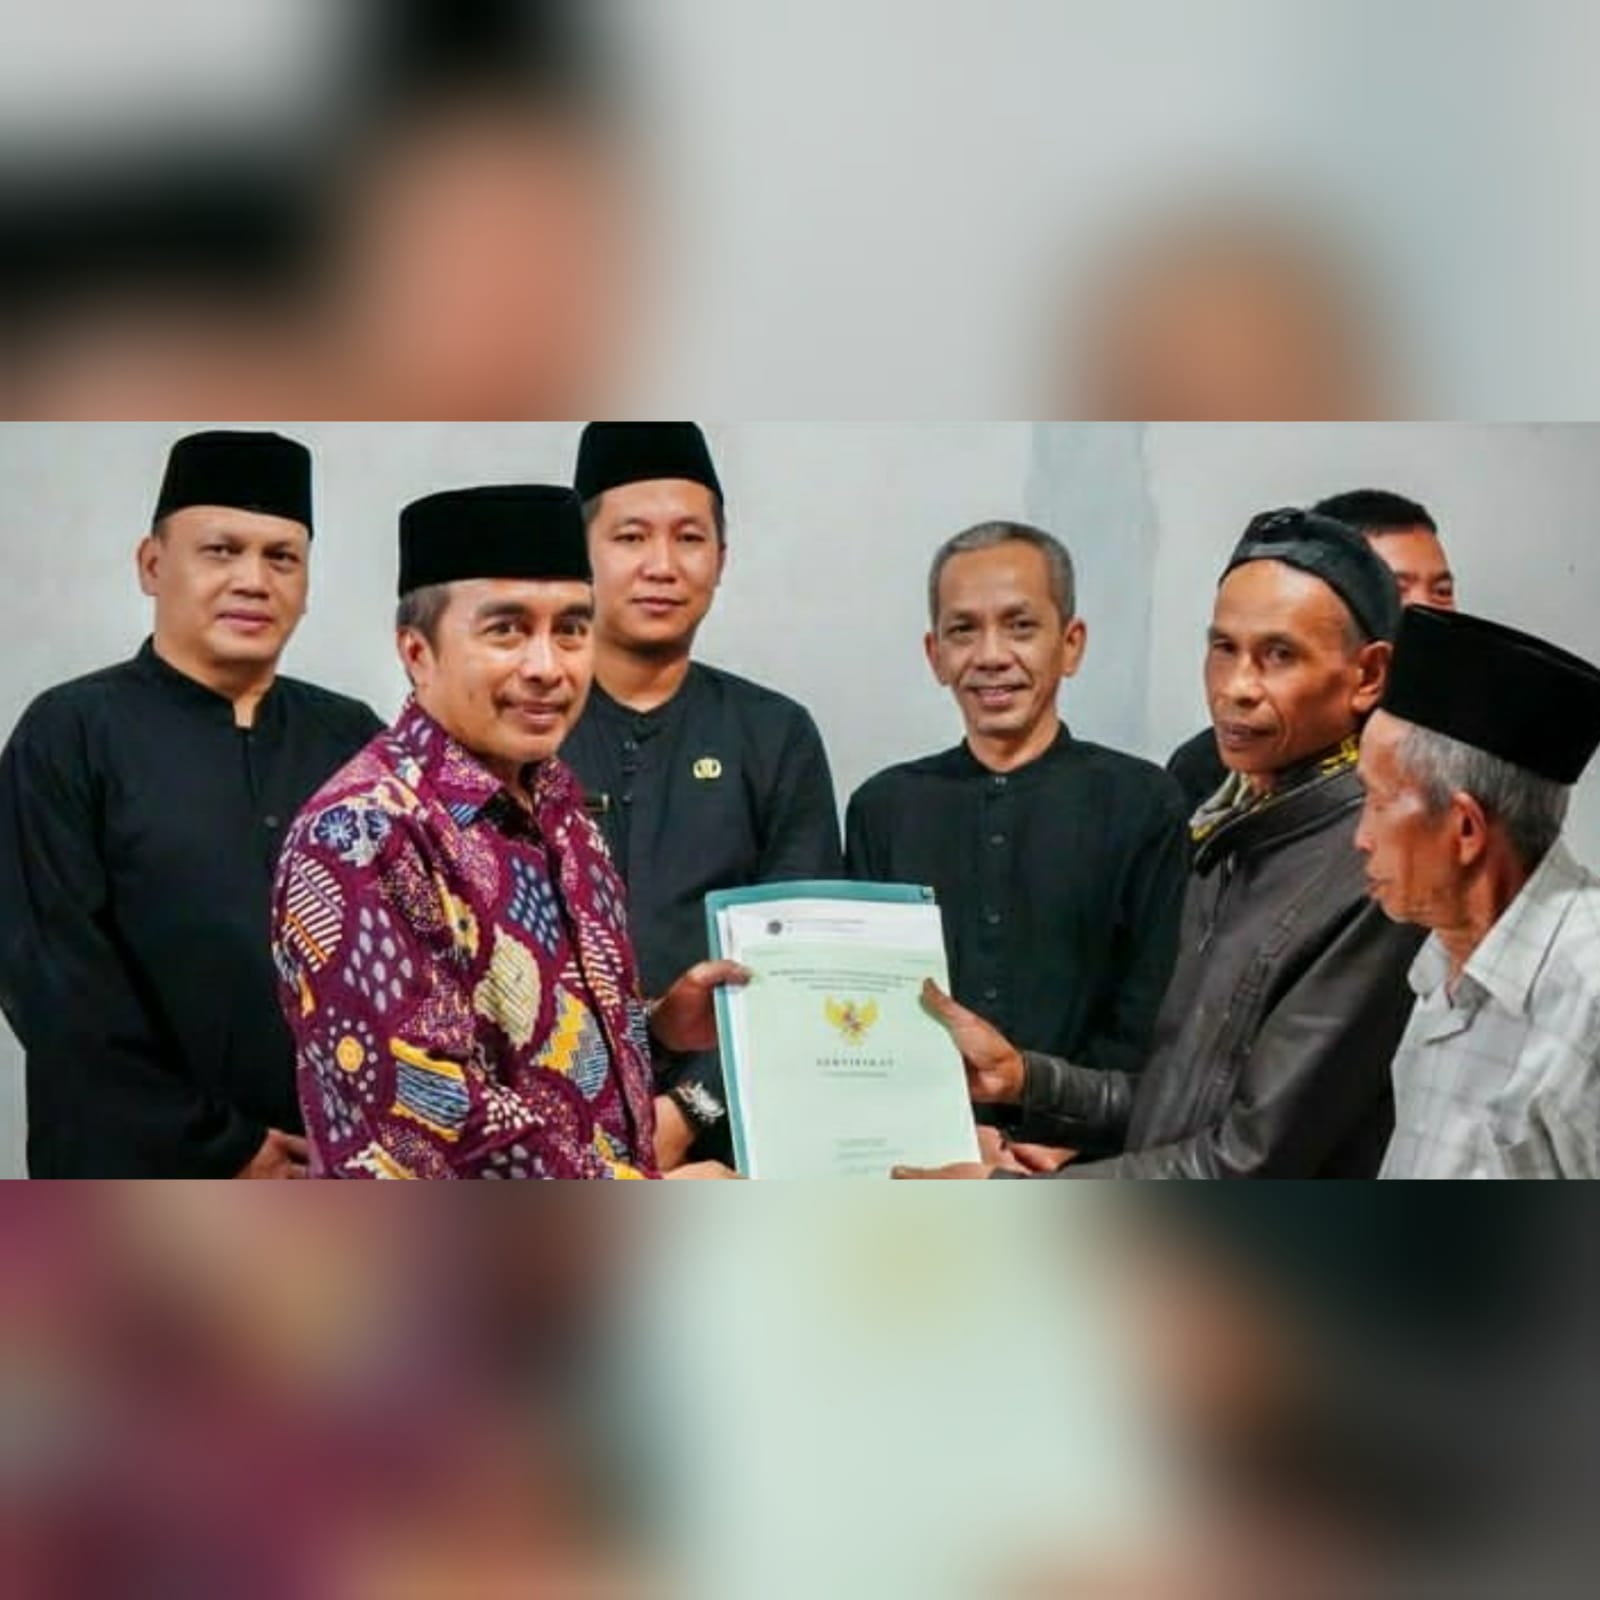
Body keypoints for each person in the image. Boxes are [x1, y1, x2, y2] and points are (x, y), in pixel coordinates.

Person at [895, 508, 1425, 1179]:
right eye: (1223, 648)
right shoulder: (1230, 828)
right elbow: (1175, 1103)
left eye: (1279, 655)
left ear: (1369, 675)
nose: (1235, 688)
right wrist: (1026, 1078)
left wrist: (999, 1194)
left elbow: (1246, 1160)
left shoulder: (1378, 872)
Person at [271, 484, 744, 1178]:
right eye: (507, 631)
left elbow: (540, 1050)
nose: (548, 668)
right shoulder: (363, 833)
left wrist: (660, 1029)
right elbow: (431, 1125)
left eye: (571, 630)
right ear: (417, 652)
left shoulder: (562, 808)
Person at [0, 430, 383, 1176]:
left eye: (281, 557)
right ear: (152, 565)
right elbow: (56, 988)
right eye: (221, 551)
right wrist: (224, 1149)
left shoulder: (354, 741)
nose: (253, 581)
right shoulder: (70, 735)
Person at [846, 521, 1187, 1156]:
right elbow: (866, 1008)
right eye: (963, 630)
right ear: (934, 654)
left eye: (1020, 626)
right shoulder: (884, 808)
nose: (991, 655)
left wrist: (1064, 1144)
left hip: (1093, 1161)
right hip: (919, 1159)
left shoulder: (1144, 803)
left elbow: (1154, 1017)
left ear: (1071, 644)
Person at [562, 422, 842, 1165]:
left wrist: (689, 1109)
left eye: (689, 538)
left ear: (721, 558)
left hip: (733, 1136)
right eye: (630, 537)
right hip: (540, 1129)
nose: (662, 565)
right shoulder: (524, 726)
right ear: (580, 554)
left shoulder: (774, 735)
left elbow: (799, 963)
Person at [1356, 605, 1600, 1178]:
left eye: (1378, 801)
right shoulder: (1441, 962)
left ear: (1465, 828)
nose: (1361, 837)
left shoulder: (1588, 996)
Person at [1168, 489, 1454, 810]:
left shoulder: (1433, 785)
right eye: (1397, 589)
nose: (1426, 612)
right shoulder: (1203, 767)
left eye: (1442, 591)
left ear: (1369, 673)